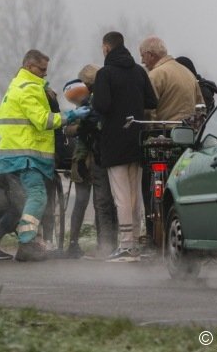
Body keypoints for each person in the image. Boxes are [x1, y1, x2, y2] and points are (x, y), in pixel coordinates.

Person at [0, 49, 89, 262]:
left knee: (28, 199)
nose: (45, 74)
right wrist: (71, 115)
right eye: (42, 69)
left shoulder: (17, 85)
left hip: (16, 153)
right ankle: (26, 241)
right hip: (26, 154)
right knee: (37, 196)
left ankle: (29, 241)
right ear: (29, 66)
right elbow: (43, 121)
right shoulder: (29, 89)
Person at [93, 32, 158, 262]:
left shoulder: (105, 74)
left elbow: (101, 105)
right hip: (137, 139)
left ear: (106, 48)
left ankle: (126, 245)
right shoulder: (139, 72)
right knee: (134, 196)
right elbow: (152, 101)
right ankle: (136, 242)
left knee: (120, 195)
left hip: (114, 141)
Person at [77, 64, 118, 258]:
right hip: (114, 153)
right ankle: (115, 243)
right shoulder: (112, 97)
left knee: (101, 202)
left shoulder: (92, 103)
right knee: (115, 200)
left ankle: (105, 246)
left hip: (99, 156)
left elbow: (85, 132)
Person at [62, 79, 93, 258]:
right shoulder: (93, 103)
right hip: (89, 160)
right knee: (93, 201)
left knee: (82, 202)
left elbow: (68, 130)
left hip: (83, 160)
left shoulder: (82, 109)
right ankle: (75, 243)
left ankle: (73, 242)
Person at [139, 36, 204, 122]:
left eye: (142, 56)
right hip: (188, 132)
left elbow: (149, 111)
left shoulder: (155, 75)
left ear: (150, 55)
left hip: (163, 132)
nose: (142, 61)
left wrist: (148, 131)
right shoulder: (188, 73)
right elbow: (200, 107)